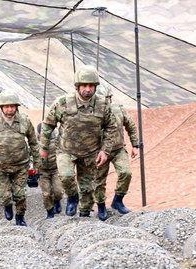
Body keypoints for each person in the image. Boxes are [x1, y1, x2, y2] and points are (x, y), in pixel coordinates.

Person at [40, 65, 118, 221]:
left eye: (91, 86)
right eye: (84, 85)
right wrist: (43, 146)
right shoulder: (62, 103)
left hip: (91, 152)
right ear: (77, 86)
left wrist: (106, 150)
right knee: (66, 176)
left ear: (95, 87)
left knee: (87, 186)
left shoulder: (103, 104)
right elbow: (48, 124)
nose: (88, 89)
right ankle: (72, 197)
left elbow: (111, 127)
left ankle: (84, 214)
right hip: (66, 150)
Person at [0, 90, 40, 226]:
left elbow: (33, 143)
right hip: (1, 167)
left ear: (16, 107)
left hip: (21, 166)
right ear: (1, 107)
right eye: (6, 106)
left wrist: (37, 164)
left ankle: (20, 216)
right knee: (5, 196)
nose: (9, 109)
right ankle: (7, 205)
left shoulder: (24, 121)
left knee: (20, 195)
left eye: (12, 106)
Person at [94, 87, 139, 215]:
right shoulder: (91, 113)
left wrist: (135, 145)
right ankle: (101, 206)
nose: (105, 102)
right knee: (99, 180)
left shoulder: (118, 109)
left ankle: (118, 201)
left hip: (118, 149)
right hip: (100, 151)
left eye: (107, 99)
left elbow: (130, 125)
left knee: (126, 173)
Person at [36, 123, 64, 219]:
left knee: (58, 191)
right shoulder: (35, 143)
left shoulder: (57, 140)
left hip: (56, 169)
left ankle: (57, 201)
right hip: (42, 172)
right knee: (46, 193)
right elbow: (31, 156)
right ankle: (50, 211)